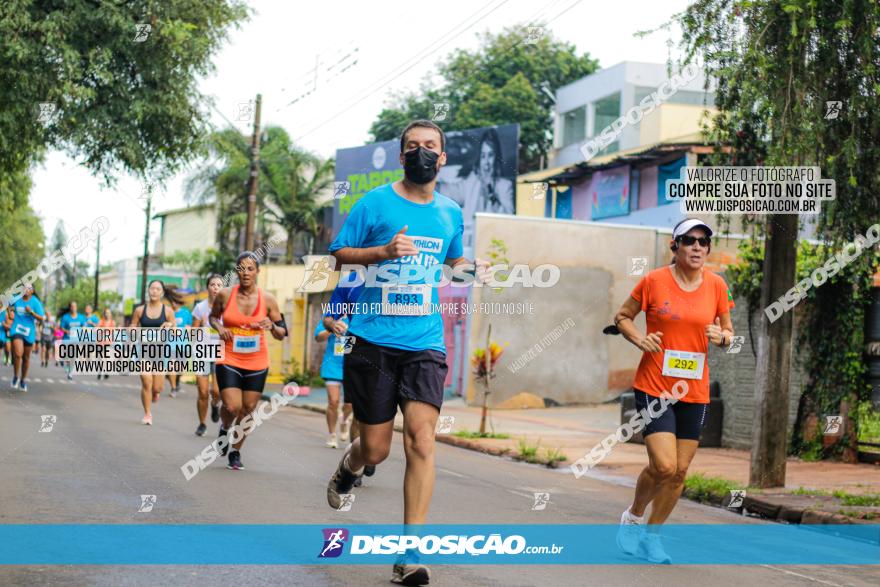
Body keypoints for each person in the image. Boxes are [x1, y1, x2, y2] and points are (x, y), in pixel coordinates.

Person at [325, 120, 487, 585]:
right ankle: (349, 467)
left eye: (430, 147)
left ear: (443, 158)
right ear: (401, 157)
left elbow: (453, 262)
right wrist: (381, 252)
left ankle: (408, 553)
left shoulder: (450, 212)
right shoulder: (374, 202)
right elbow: (336, 254)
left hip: (424, 344)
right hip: (373, 342)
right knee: (375, 449)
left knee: (421, 438)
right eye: (412, 147)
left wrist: (472, 269)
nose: (421, 152)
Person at [612, 218, 735, 564]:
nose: (698, 247)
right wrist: (640, 339)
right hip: (654, 386)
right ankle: (634, 517)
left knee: (680, 472)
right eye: (690, 241)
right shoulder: (653, 281)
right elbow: (622, 316)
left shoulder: (716, 285)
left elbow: (729, 332)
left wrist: (723, 338)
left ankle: (652, 538)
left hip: (694, 390)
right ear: (675, 246)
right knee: (664, 466)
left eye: (704, 242)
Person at [210, 252, 287, 470]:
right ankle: (225, 428)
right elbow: (213, 317)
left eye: (250, 268)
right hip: (229, 356)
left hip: (256, 360)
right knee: (232, 406)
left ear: (257, 272)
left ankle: (235, 452)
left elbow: (283, 332)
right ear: (236, 271)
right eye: (241, 268)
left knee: (249, 408)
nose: (245, 273)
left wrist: (272, 326)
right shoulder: (225, 295)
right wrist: (220, 327)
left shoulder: (268, 300)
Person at [314, 273, 364, 448]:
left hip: (351, 364)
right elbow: (318, 337)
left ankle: (344, 420)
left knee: (349, 403)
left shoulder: (356, 318)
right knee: (333, 401)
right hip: (332, 365)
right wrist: (332, 329)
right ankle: (332, 434)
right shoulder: (331, 317)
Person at [130, 280, 175, 425]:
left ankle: (156, 393)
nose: (154, 291)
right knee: (146, 381)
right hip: (144, 352)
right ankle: (147, 414)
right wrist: (131, 329)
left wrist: (170, 325)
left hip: (160, 354)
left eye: (158, 289)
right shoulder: (139, 310)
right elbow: (133, 326)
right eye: (152, 288)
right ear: (148, 291)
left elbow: (175, 331)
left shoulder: (168, 311)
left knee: (157, 387)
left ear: (162, 293)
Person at [191, 274, 224, 436]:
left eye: (219, 285)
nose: (216, 288)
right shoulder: (200, 308)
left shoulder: (227, 308)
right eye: (213, 284)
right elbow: (192, 334)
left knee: (217, 391)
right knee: (203, 392)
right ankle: (202, 423)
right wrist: (202, 326)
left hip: (220, 353)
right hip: (202, 352)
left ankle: (215, 405)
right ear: (208, 288)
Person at [10, 285, 46, 391]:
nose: (27, 290)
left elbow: (41, 318)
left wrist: (32, 312)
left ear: (32, 291)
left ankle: (23, 380)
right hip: (16, 328)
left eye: (29, 288)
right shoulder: (16, 298)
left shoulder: (35, 302)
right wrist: (10, 312)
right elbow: (6, 304)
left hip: (29, 332)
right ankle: (16, 376)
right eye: (25, 288)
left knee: (26, 358)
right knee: (17, 354)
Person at [167, 286, 192, 398]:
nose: (173, 304)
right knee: (171, 366)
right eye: (172, 302)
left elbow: (188, 328)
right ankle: (173, 388)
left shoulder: (186, 313)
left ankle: (176, 382)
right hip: (171, 344)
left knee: (180, 369)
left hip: (183, 345)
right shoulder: (168, 313)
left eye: (175, 302)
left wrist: (184, 331)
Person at [59, 302, 87, 380]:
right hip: (67, 339)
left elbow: (84, 326)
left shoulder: (81, 317)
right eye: (72, 306)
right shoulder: (65, 317)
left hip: (76, 340)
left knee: (74, 356)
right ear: (70, 308)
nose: (74, 308)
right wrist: (67, 331)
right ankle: (65, 361)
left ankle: (70, 373)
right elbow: (61, 327)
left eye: (75, 306)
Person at [96, 308, 116, 380]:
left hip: (108, 342)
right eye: (106, 313)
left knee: (107, 358)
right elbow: (96, 330)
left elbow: (113, 332)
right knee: (101, 358)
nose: (107, 314)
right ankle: (100, 371)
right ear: (104, 314)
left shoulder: (112, 322)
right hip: (101, 342)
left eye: (109, 313)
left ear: (110, 314)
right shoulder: (101, 321)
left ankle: (106, 371)